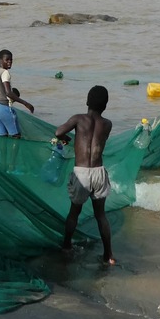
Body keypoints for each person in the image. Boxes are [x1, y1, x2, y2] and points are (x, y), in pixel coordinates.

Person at [54, 85, 115, 265]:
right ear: (105, 106)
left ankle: (66, 246)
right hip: (98, 172)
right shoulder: (107, 124)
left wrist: (65, 139)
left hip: (81, 173)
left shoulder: (78, 119)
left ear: (87, 101)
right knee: (101, 215)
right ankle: (108, 255)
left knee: (74, 212)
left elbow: (58, 132)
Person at [0, 49, 33, 138]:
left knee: (3, 137)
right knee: (16, 135)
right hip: (3, 108)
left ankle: (3, 152)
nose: (9, 62)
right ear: (0, 60)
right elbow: (8, 93)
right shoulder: (5, 72)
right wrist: (26, 103)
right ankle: (14, 153)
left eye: (11, 60)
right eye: (7, 60)